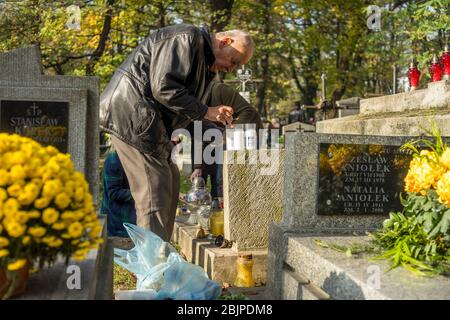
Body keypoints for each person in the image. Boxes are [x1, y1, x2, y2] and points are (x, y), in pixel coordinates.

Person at [99, 24, 254, 241]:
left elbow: (183, 109)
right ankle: (152, 268)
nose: (232, 68)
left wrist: (215, 128)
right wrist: (206, 111)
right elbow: (164, 88)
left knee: (170, 180)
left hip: (149, 124)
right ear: (225, 42)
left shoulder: (205, 65)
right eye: (235, 61)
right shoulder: (187, 38)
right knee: (155, 188)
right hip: (131, 115)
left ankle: (160, 254)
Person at [189, 81, 262, 194]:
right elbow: (198, 136)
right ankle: (223, 203)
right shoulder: (193, 108)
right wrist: (197, 167)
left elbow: (249, 112)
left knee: (242, 177)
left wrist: (228, 133)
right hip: (225, 139)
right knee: (221, 177)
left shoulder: (219, 90)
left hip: (249, 134)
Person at [101, 149, 136, 237]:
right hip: (118, 224)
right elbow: (113, 193)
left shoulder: (129, 156)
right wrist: (139, 194)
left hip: (129, 219)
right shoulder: (114, 160)